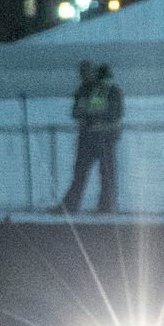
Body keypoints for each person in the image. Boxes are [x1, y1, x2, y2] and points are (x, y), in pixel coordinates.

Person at [61, 60, 125, 216]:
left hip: (102, 138)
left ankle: (104, 205)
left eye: (86, 72)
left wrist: (90, 116)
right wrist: (89, 115)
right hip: (91, 138)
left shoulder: (106, 91)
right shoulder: (84, 91)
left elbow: (110, 112)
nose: (83, 76)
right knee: (84, 173)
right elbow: (77, 112)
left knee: (103, 173)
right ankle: (75, 205)